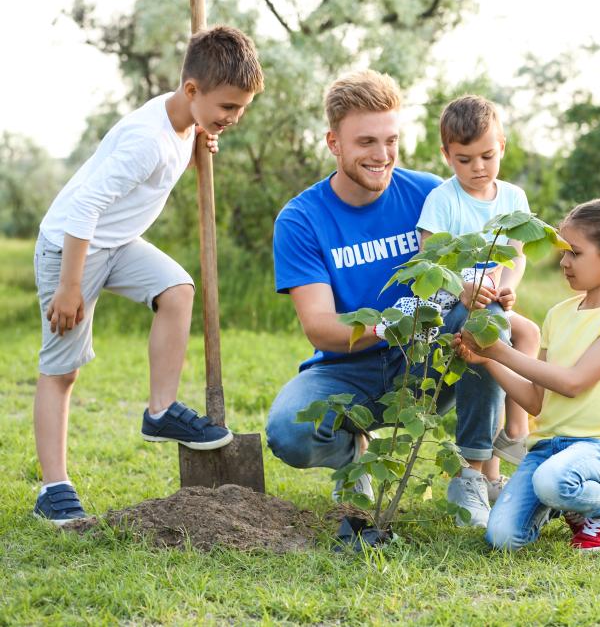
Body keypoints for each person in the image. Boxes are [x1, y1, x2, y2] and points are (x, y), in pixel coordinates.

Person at [31, 26, 264, 524]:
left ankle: (160, 412)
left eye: (240, 109)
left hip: (116, 242)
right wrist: (70, 286)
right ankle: (53, 488)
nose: (234, 118)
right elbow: (87, 205)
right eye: (227, 108)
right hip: (71, 246)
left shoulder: (185, 119)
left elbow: (192, 123)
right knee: (62, 370)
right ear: (192, 91)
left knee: (177, 290)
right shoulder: (148, 141)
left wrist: (206, 132)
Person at [265, 71, 506, 528]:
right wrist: (393, 324)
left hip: (430, 359)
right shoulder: (301, 218)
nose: (381, 156)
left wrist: (488, 286)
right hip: (349, 365)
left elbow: (483, 264)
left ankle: (473, 473)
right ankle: (355, 455)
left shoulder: (429, 193)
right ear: (333, 142)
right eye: (366, 142)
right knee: (288, 432)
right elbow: (320, 327)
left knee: (488, 318)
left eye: (391, 140)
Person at [456, 198, 600, 551]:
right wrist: (488, 362)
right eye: (563, 252)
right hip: (547, 450)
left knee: (553, 481)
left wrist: (501, 351)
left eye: (574, 253)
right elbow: (537, 400)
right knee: (503, 537)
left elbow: (572, 382)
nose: (563, 262)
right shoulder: (559, 314)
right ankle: (562, 501)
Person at [415, 95, 541, 500]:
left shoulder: (512, 199)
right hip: (447, 307)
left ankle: (513, 433)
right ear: (446, 155)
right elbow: (427, 266)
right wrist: (461, 288)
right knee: (490, 329)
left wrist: (509, 284)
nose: (478, 168)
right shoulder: (443, 200)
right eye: (464, 160)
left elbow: (517, 256)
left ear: (502, 145)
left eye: (487, 156)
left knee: (528, 333)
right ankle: (479, 472)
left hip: (491, 303)